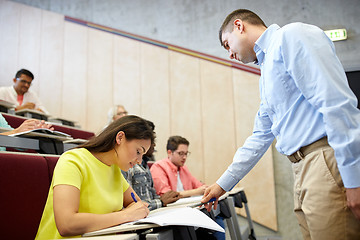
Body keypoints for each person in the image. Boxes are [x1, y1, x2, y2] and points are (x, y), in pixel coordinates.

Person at [201, 9, 360, 240]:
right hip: (301, 168)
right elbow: (259, 136)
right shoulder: (266, 71)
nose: (230, 54)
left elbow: (335, 103)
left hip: (323, 160)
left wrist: (354, 179)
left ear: (239, 25)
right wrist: (221, 185)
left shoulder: (291, 36)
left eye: (227, 44)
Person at [35, 115, 154, 239]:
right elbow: (66, 224)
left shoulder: (114, 169)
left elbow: (137, 205)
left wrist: (132, 212)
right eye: (138, 151)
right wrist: (125, 215)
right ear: (120, 138)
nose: (140, 161)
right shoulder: (73, 161)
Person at [151, 135, 226, 240]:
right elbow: (166, 195)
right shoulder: (158, 167)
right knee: (214, 220)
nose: (184, 157)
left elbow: (199, 186)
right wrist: (196, 191)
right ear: (169, 152)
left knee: (218, 215)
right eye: (181, 153)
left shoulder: (183, 168)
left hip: (187, 210)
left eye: (186, 154)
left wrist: (209, 188)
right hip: (172, 213)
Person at [123, 121, 181, 210]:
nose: (154, 145)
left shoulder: (145, 165)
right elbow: (134, 207)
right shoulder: (128, 166)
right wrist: (161, 202)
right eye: (151, 141)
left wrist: (162, 201)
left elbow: (152, 196)